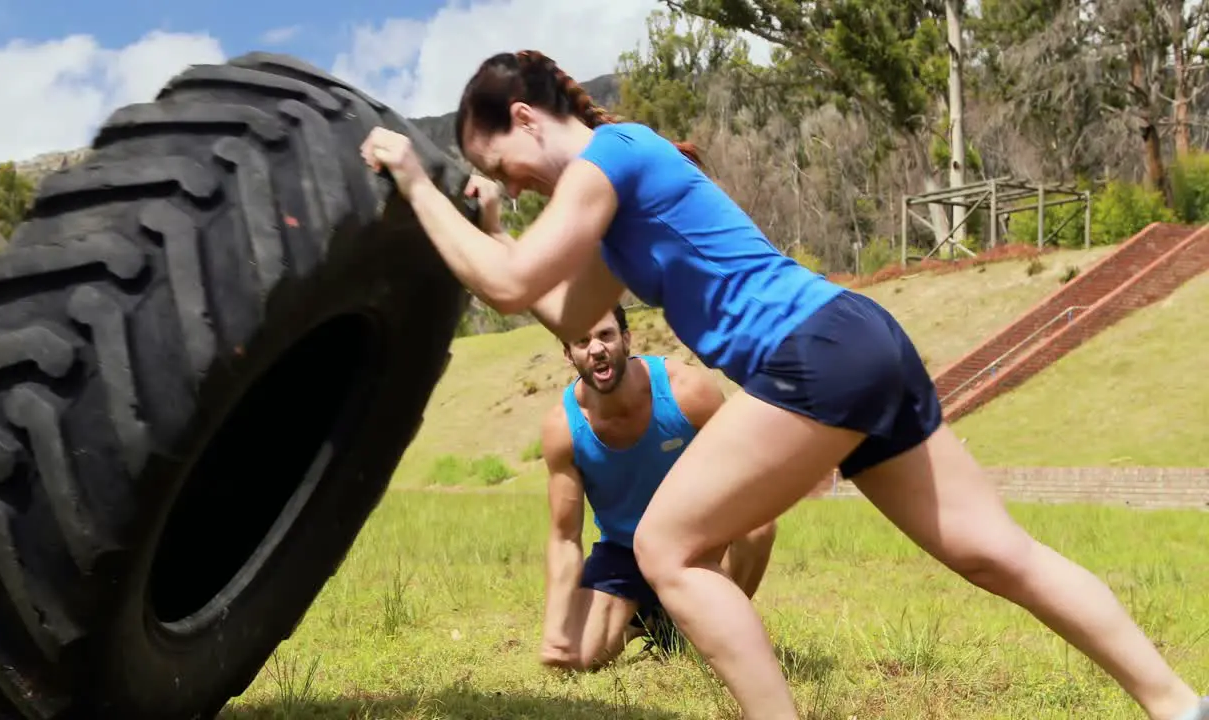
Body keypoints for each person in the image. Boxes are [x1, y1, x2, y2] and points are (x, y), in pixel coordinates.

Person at [358, 50, 1206, 720]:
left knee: (664, 550)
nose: (506, 182)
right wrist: (498, 228)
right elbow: (552, 309)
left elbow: (506, 287)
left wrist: (412, 180)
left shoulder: (611, 156)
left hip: (813, 352)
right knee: (997, 553)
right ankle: (1177, 705)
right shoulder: (613, 215)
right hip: (857, 336)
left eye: (499, 165)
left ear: (523, 117)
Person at [538, 303, 776, 672]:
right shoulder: (563, 428)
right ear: (569, 355)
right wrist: (555, 625)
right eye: (582, 341)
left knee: (758, 525)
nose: (596, 348)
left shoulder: (687, 391)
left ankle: (706, 631)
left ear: (626, 339)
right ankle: (652, 618)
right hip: (624, 549)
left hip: (694, 539)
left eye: (605, 335)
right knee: (578, 660)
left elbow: (745, 475)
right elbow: (565, 537)